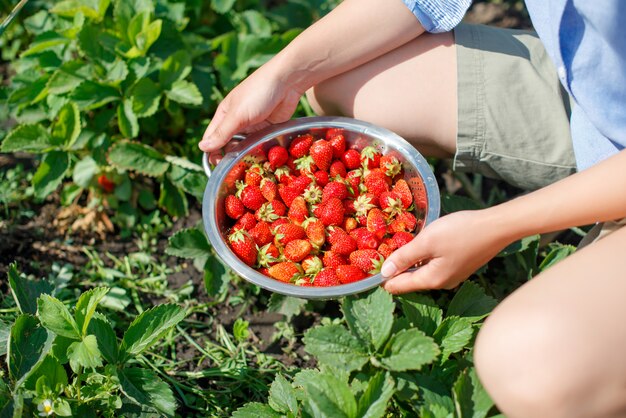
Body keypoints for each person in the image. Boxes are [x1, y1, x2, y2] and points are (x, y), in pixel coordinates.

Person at [199, 0, 626, 416]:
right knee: (340, 80)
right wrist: (283, 74)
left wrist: (499, 225)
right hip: (597, 93)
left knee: (532, 366)